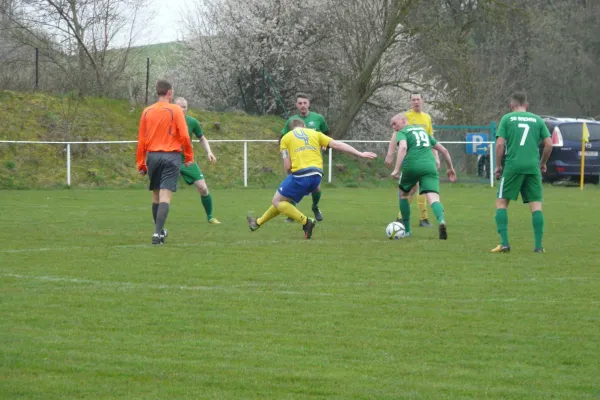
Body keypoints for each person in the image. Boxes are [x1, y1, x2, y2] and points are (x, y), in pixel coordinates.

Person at [249, 119, 377, 239]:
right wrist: (360, 153)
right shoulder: (315, 133)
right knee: (283, 201)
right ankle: (257, 223)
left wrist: (290, 173)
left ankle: (306, 221)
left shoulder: (286, 138)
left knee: (277, 201)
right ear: (304, 126)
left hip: (301, 175)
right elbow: (337, 145)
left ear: (290, 129)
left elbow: (287, 166)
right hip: (317, 176)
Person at [491, 92, 553, 253]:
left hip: (513, 165)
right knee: (536, 205)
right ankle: (538, 247)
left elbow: (499, 145)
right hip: (533, 167)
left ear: (511, 106)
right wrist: (543, 163)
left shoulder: (507, 118)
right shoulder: (537, 120)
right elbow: (549, 144)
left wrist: (498, 166)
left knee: (501, 202)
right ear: (527, 105)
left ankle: (504, 244)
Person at [136, 80, 194, 245]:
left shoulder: (147, 112)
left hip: (153, 156)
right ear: (169, 93)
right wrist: (189, 156)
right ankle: (156, 234)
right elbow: (184, 135)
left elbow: (141, 140)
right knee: (165, 195)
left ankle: (160, 231)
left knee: (156, 195)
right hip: (171, 156)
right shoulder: (175, 110)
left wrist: (141, 163)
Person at [390, 113, 456, 239]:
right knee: (433, 197)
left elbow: (403, 147)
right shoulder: (423, 131)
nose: (393, 127)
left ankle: (408, 230)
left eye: (395, 123)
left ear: (403, 120)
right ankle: (441, 220)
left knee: (403, 195)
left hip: (412, 166)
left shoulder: (402, 132)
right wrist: (450, 168)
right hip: (429, 166)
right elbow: (444, 150)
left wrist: (396, 169)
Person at [385, 93, 440, 227]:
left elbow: (430, 137)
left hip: (425, 157)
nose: (416, 101)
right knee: (411, 189)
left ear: (422, 101)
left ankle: (423, 218)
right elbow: (396, 135)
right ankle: (401, 217)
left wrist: (436, 156)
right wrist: (390, 154)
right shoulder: (405, 117)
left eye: (418, 99)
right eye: (413, 99)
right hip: (410, 158)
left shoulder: (427, 117)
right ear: (410, 102)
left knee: (421, 188)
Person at [281, 93, 329, 222]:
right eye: (300, 103)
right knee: (292, 186)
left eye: (305, 103)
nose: (303, 105)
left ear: (309, 104)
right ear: (296, 105)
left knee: (316, 187)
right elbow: (283, 138)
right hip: (296, 159)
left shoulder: (318, 118)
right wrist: (286, 156)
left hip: (313, 159)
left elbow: (326, 134)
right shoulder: (292, 121)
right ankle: (292, 213)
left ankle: (315, 207)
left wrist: (324, 145)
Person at [174, 97, 221, 225]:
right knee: (163, 189)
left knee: (203, 188)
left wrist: (209, 152)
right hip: (171, 160)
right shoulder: (168, 121)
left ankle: (210, 217)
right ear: (174, 107)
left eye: (184, 107)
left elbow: (202, 138)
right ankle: (158, 217)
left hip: (187, 161)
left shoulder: (192, 122)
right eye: (179, 106)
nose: (182, 109)